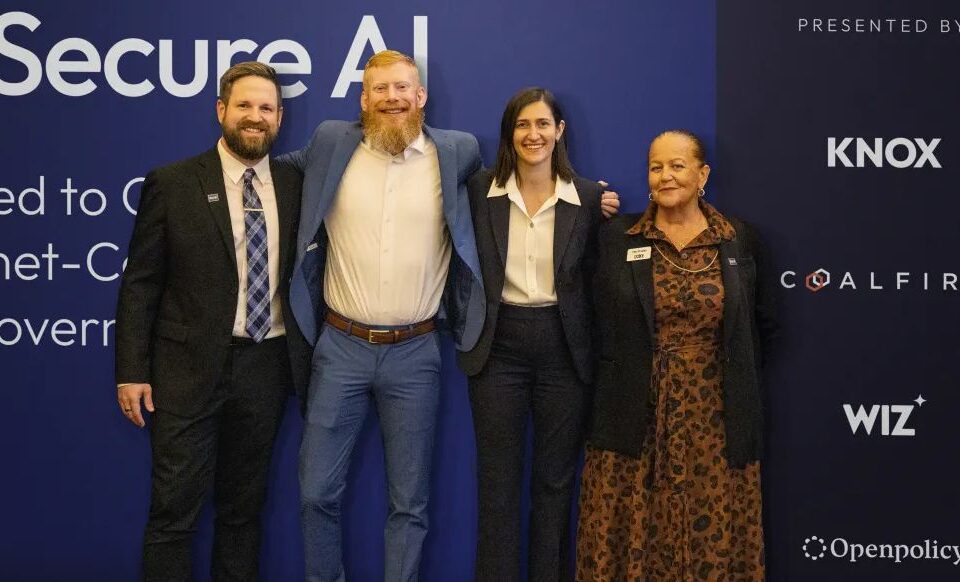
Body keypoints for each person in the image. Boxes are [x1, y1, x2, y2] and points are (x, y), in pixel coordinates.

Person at [280, 50, 485, 582]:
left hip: (416, 352)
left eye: (402, 88)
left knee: (409, 503)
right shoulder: (331, 142)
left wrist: (584, 195)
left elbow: (508, 188)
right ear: (363, 99)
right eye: (380, 89)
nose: (392, 98)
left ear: (421, 96)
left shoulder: (457, 151)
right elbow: (268, 172)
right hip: (339, 347)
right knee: (315, 492)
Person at [115, 62, 302, 581]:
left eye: (266, 108)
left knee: (244, 513)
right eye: (244, 105)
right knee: (174, 513)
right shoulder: (173, 183)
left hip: (266, 368)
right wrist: (131, 370)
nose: (255, 116)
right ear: (221, 110)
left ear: (279, 118)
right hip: (186, 371)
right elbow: (141, 284)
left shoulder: (296, 185)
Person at [576, 130, 777, 581]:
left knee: (711, 532)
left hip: (716, 422)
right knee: (630, 531)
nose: (665, 176)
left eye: (677, 165)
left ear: (703, 175)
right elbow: (590, 319)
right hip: (632, 417)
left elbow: (762, 328)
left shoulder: (739, 240)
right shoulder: (616, 239)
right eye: (656, 167)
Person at [458, 88, 604, 582]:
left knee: (555, 483)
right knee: (497, 485)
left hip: (564, 349)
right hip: (498, 348)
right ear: (509, 133)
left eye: (542, 124)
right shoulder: (479, 191)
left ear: (559, 130)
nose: (533, 134)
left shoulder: (587, 197)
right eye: (522, 124)